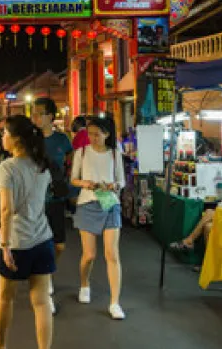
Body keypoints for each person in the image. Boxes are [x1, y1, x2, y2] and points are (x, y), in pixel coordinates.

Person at [0, 115, 54, 349]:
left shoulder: (7, 167)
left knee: (5, 297)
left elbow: (5, 209)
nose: (2, 137)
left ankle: (0, 345)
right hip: (43, 238)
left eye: (4, 133)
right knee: (41, 302)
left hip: (17, 242)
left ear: (15, 139)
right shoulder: (42, 165)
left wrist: (5, 246)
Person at [70, 116, 126, 320]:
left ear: (107, 134)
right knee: (89, 255)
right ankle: (85, 284)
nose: (92, 137)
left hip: (110, 203)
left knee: (112, 254)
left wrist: (114, 186)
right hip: (87, 203)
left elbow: (121, 180)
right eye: (89, 133)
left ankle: (115, 302)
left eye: (96, 134)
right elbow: (73, 179)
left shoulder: (114, 154)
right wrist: (86, 183)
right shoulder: (81, 153)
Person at [32, 97, 73, 314]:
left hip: (56, 198)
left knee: (59, 245)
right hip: (36, 201)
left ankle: (47, 272)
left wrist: (69, 184)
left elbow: (71, 160)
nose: (35, 117)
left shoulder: (62, 139)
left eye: (39, 112)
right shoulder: (31, 140)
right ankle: (44, 282)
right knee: (41, 243)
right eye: (34, 113)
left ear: (50, 116)